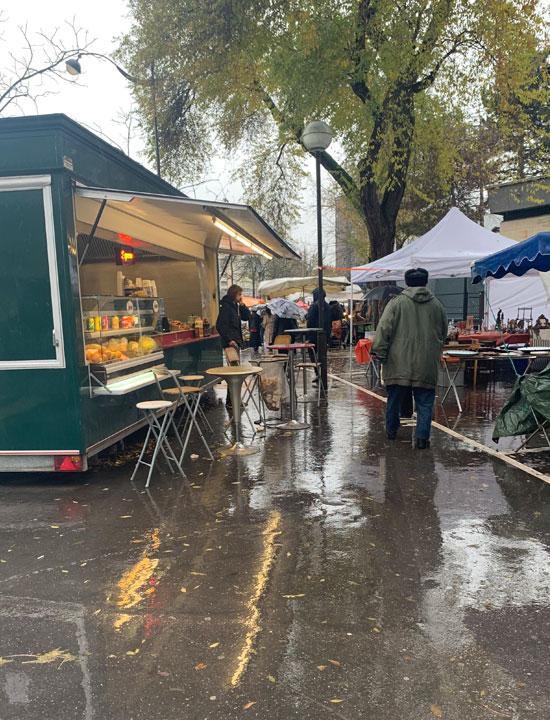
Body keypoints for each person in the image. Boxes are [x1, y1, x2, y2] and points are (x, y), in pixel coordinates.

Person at [371, 268, 447, 449]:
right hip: (426, 363)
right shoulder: (437, 305)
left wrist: (379, 353)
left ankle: (391, 431)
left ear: (406, 283)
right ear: (426, 282)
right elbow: (443, 333)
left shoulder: (396, 304)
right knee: (425, 401)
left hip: (398, 363)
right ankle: (422, 438)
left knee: (394, 399)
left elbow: (384, 330)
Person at [216, 284, 250, 405]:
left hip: (236, 341)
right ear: (234, 294)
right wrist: (230, 339)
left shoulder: (236, 306)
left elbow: (247, 317)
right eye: (239, 294)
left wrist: (242, 305)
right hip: (231, 343)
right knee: (234, 373)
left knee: (235, 372)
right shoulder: (226, 307)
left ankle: (233, 400)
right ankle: (233, 401)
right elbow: (221, 325)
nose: (241, 296)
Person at [306, 288, 332, 383]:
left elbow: (310, 321)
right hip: (325, 334)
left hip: (314, 335)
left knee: (312, 353)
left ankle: (318, 372)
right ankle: (322, 373)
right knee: (323, 355)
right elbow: (329, 322)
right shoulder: (328, 306)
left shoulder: (314, 306)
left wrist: (308, 335)